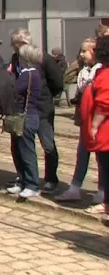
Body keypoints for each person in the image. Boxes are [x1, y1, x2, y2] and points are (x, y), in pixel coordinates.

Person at [56, 38, 105, 211]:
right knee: (82, 153)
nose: (82, 54)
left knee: (101, 158)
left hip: (98, 121)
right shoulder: (84, 69)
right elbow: (67, 76)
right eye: (81, 51)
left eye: (85, 51)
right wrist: (78, 62)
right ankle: (75, 188)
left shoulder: (101, 71)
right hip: (84, 119)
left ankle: (102, 190)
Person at [6, 43, 45, 199]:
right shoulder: (29, 73)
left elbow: (14, 90)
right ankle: (22, 180)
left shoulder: (29, 74)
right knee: (17, 149)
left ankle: (32, 184)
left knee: (26, 151)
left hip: (27, 116)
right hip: (23, 115)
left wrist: (8, 76)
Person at [78, 35, 109, 224]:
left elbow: (105, 104)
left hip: (106, 130)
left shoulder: (106, 74)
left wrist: (95, 125)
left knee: (107, 167)